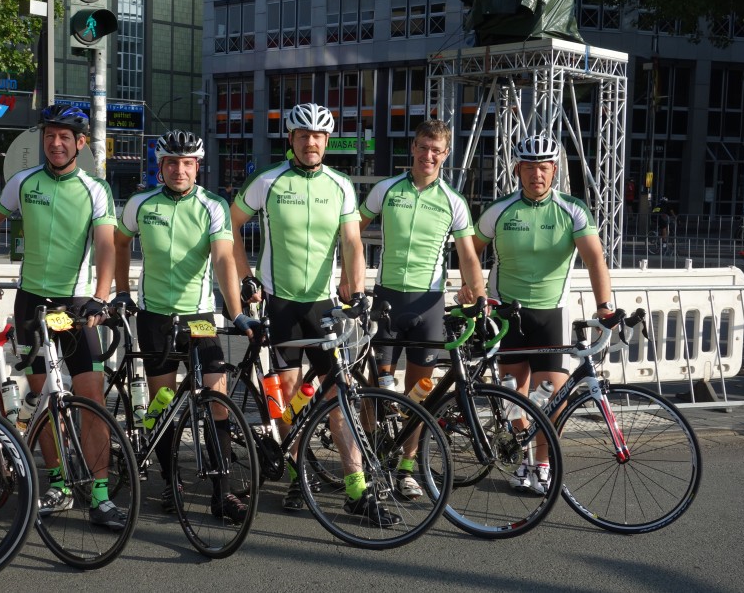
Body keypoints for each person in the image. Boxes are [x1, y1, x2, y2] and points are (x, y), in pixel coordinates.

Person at [230, 102, 399, 527]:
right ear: (291, 139)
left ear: (326, 141)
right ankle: (295, 471)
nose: (311, 142)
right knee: (286, 397)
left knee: (335, 395)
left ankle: (357, 488)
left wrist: (356, 290)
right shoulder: (267, 181)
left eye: (318, 136)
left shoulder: (341, 185)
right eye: (303, 135)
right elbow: (228, 227)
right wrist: (246, 277)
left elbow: (353, 243)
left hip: (323, 306)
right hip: (279, 304)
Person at [0, 104, 125, 529]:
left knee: (91, 399)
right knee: (44, 399)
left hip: (76, 306)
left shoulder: (95, 189)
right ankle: (60, 484)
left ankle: (99, 495)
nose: (56, 143)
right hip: (31, 305)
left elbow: (105, 245)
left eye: (65, 136)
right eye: (50, 136)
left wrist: (99, 297)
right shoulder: (24, 182)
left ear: (80, 143)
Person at [114, 129, 256, 522]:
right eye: (172, 162)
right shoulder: (141, 203)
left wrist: (235, 310)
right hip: (155, 317)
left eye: (187, 163)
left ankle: (222, 493)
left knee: (217, 400)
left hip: (199, 320)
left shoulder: (213, 206)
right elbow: (119, 242)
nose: (180, 169)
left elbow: (225, 260)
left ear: (198, 167)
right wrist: (122, 290)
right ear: (160, 167)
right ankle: (171, 481)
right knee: (163, 408)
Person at [460, 135, 614, 495]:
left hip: (550, 316)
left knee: (550, 400)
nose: (536, 175)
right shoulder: (500, 209)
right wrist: (472, 287)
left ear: (554, 170)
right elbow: (469, 252)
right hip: (506, 314)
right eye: (529, 167)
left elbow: (595, 260)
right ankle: (522, 460)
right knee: (515, 396)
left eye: (544, 167)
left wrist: (604, 305)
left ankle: (542, 463)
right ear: (518, 170)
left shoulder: (572, 209)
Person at [357, 119, 488, 500]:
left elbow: (467, 254)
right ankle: (370, 458)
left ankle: (406, 467)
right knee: (376, 390)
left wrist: (476, 295)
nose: (428, 155)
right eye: (423, 147)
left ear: (445, 155)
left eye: (436, 150)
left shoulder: (454, 201)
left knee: (420, 393)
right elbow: (352, 230)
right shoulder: (386, 189)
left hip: (428, 305)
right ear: (412, 148)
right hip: (385, 300)